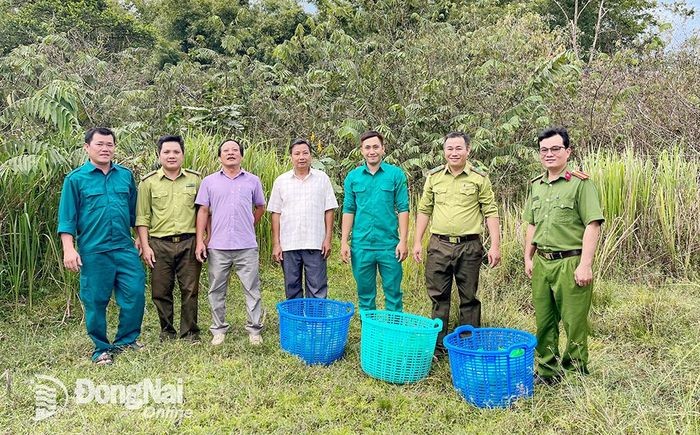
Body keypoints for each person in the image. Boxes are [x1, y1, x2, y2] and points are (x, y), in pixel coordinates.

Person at [57, 127, 145, 365]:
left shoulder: (125, 176)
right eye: (100, 144)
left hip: (124, 249)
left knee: (135, 293)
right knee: (95, 300)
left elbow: (134, 213)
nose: (105, 149)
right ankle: (101, 347)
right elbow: (67, 218)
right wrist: (69, 248)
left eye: (109, 145)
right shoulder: (75, 179)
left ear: (114, 148)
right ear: (87, 148)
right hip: (94, 251)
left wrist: (139, 237)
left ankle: (127, 339)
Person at [523, 127, 604, 385]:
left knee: (573, 322)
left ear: (567, 152)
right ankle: (547, 370)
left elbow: (593, 224)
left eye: (555, 149)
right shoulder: (537, 185)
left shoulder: (580, 184)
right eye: (544, 150)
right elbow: (532, 224)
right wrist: (528, 256)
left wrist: (585, 265)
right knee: (544, 322)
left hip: (570, 262)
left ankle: (575, 373)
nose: (549, 154)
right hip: (542, 263)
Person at [413, 131, 501, 358]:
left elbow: (490, 211)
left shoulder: (479, 178)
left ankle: (467, 345)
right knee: (438, 297)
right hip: (439, 245)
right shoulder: (434, 177)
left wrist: (495, 246)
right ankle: (438, 347)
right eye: (449, 149)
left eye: (458, 148)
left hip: (469, 247)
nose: (454, 153)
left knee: (468, 298)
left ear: (468, 150)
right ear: (444, 151)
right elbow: (424, 209)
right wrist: (416, 242)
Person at [194, 139, 266, 346]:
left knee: (252, 288)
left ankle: (254, 330)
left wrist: (248, 223)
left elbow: (260, 206)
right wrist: (201, 240)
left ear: (241, 156)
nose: (231, 153)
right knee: (216, 289)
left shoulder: (252, 180)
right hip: (218, 245)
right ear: (219, 157)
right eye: (226, 150)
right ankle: (218, 329)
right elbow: (203, 211)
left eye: (235, 150)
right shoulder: (209, 182)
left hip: (246, 245)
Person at [136, 135, 202, 342]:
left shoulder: (195, 180)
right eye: (166, 152)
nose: (171, 156)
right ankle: (167, 331)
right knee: (160, 290)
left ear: (182, 155)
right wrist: (145, 246)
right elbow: (142, 216)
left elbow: (204, 212)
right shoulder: (148, 183)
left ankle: (189, 332)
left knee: (190, 289)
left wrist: (203, 239)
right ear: (159, 155)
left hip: (189, 241)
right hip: (159, 244)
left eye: (176, 152)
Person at [340, 130, 409, 312]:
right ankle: (369, 337)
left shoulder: (395, 175)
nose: (372, 151)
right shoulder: (353, 177)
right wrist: (344, 241)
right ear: (362, 151)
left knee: (393, 294)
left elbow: (403, 208)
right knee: (365, 295)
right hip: (361, 245)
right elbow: (348, 209)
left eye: (376, 147)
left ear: (383, 149)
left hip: (389, 245)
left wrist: (403, 241)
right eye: (367, 147)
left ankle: (393, 337)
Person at [267, 138, 338, 299]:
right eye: (297, 153)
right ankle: (296, 324)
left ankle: (315, 323)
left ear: (311, 156)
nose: (301, 157)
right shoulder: (281, 181)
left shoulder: (322, 179)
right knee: (292, 289)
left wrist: (328, 239)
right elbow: (276, 213)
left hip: (315, 243)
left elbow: (329, 210)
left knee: (317, 289)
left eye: (305, 153)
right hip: (289, 244)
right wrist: (276, 244)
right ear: (291, 157)